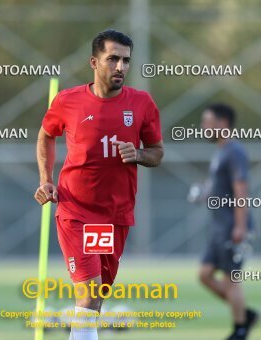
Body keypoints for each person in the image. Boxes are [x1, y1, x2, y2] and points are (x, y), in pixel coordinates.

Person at [34, 29, 164, 340]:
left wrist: (139, 154)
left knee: (96, 298)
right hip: (75, 210)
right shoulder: (68, 101)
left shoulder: (142, 103)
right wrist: (46, 180)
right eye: (113, 59)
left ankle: (77, 324)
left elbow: (157, 153)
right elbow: (46, 134)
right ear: (95, 62)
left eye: (126, 61)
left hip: (115, 214)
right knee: (90, 295)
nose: (120, 67)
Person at [195, 103, 259, 340]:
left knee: (232, 279)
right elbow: (220, 189)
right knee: (204, 274)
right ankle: (246, 314)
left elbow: (241, 188)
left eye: (207, 122)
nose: (203, 127)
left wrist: (240, 226)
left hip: (232, 227)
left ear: (222, 123)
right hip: (219, 228)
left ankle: (240, 329)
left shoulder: (234, 151)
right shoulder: (221, 152)